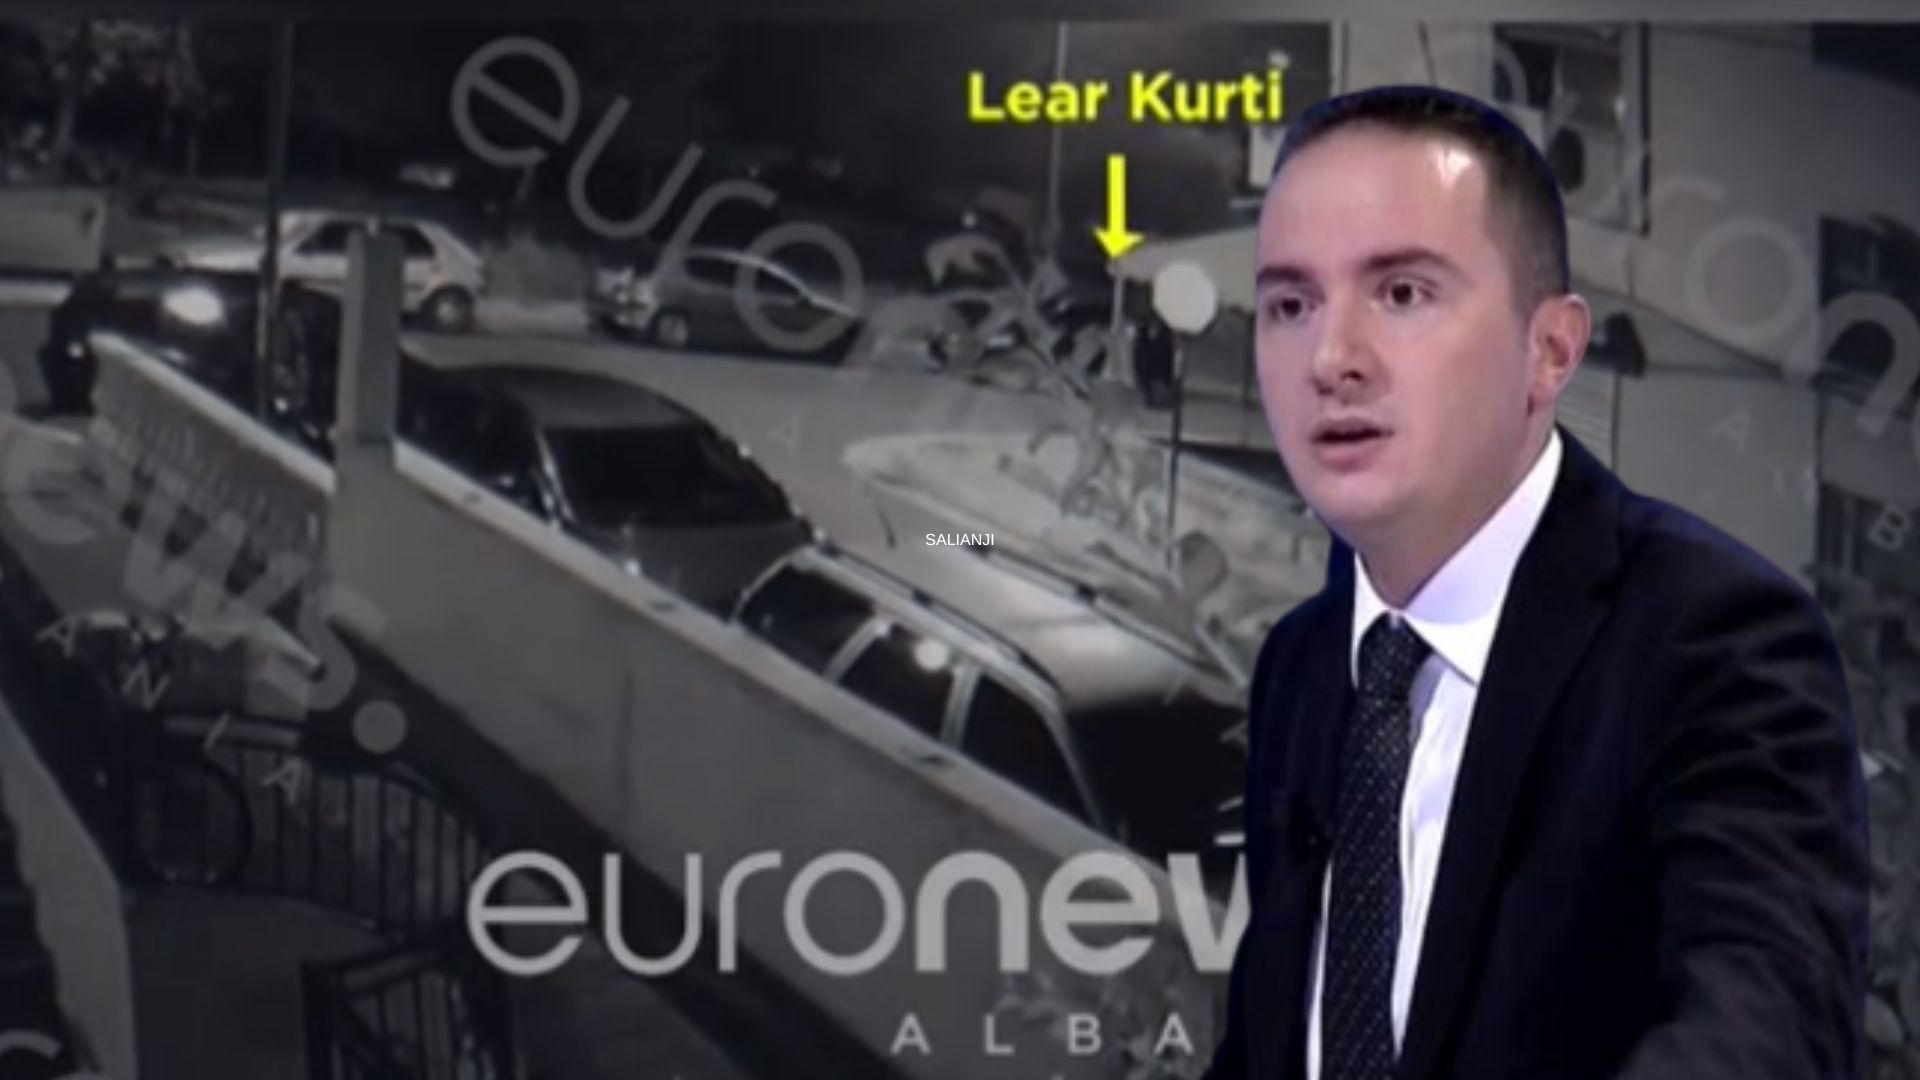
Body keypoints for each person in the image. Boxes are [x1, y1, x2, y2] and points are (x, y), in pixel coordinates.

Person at [1206, 84, 1868, 1080]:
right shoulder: (1302, 663)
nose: (1330, 359)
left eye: (1402, 293)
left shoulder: (1713, 641)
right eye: (1290, 305)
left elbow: (1767, 1030)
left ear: (1551, 349)